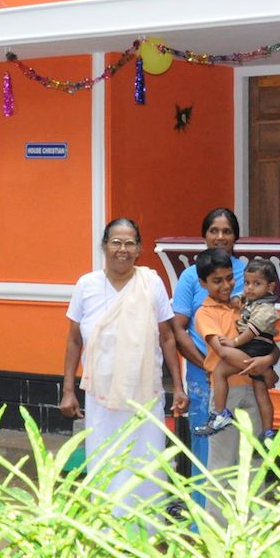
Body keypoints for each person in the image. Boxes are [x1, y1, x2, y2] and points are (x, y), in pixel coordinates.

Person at [60, 218, 188, 516]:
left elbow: (167, 337)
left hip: (144, 395)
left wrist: (178, 386)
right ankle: (107, 523)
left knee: (146, 460)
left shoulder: (151, 283)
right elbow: (74, 340)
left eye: (130, 243)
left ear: (139, 249)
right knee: (105, 457)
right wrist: (68, 390)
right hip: (100, 396)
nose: (123, 249)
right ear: (104, 246)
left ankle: (147, 522)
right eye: (116, 242)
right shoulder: (87, 285)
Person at [170, 208, 246, 475]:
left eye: (227, 231)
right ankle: (202, 502)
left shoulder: (248, 273)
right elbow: (178, 328)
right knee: (205, 440)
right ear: (204, 235)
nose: (220, 237)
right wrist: (207, 365)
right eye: (214, 230)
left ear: (236, 236)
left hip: (241, 373)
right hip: (201, 372)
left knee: (241, 443)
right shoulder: (191, 276)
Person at [195, 254, 280, 440]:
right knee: (223, 455)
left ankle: (267, 434)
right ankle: (222, 416)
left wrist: (268, 360)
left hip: (253, 388)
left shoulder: (246, 306)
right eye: (217, 281)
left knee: (256, 453)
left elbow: (271, 347)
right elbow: (223, 352)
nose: (226, 285)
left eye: (230, 278)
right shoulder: (205, 313)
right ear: (203, 283)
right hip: (227, 392)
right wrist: (265, 371)